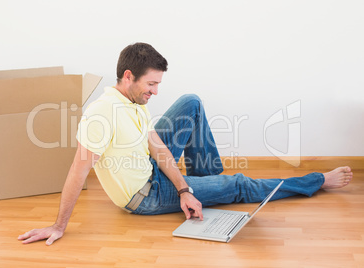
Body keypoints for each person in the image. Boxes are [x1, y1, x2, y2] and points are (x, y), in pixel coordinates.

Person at [18, 42, 353, 245]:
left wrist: (184, 189)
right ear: (128, 77)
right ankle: (315, 182)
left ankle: (209, 184)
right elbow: (78, 170)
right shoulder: (102, 114)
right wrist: (58, 225)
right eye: (151, 84)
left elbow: (157, 148)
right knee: (238, 183)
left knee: (190, 102)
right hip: (144, 195)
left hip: (153, 171)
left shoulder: (131, 103)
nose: (156, 91)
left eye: (159, 83)